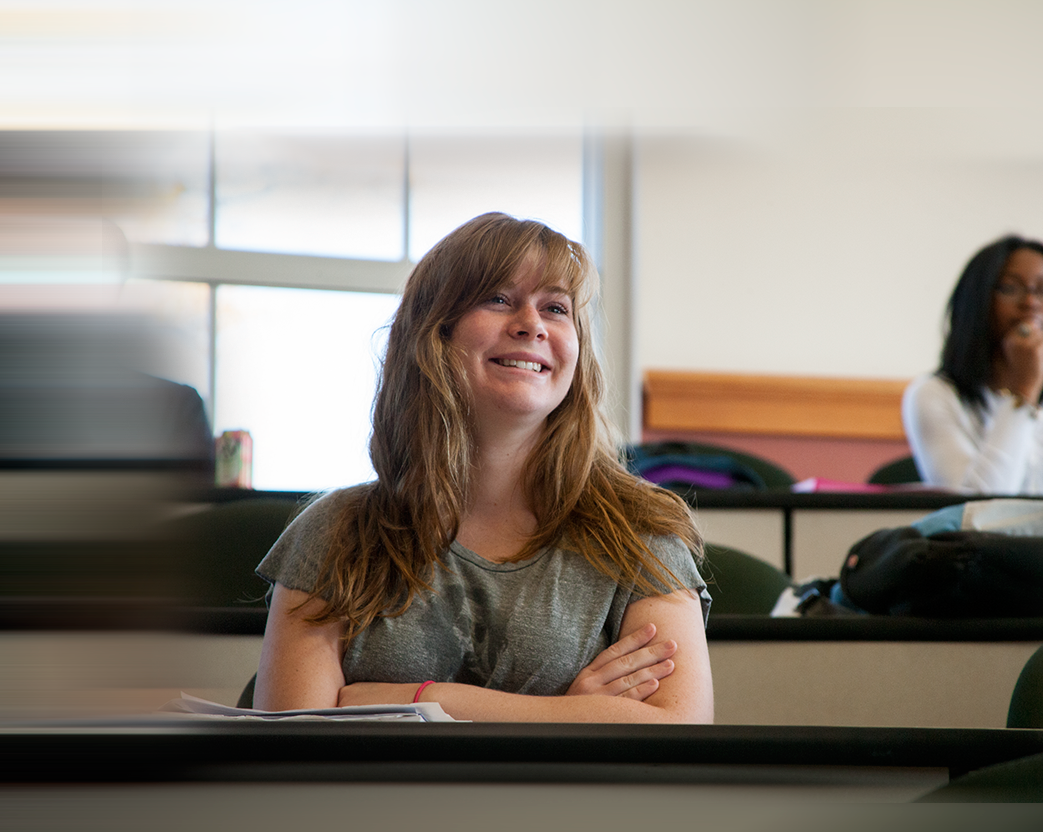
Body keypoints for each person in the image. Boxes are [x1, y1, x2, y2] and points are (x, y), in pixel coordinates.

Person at [253, 213, 714, 723]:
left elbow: (678, 731)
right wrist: (576, 715)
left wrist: (423, 700)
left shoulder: (640, 532)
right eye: (498, 299)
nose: (531, 324)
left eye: (556, 308)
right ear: (434, 332)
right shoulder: (335, 532)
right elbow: (293, 746)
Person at [902, 235, 1043, 495]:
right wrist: (1024, 392)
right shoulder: (933, 395)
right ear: (977, 301)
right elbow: (974, 511)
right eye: (1010, 288)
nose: (1031, 302)